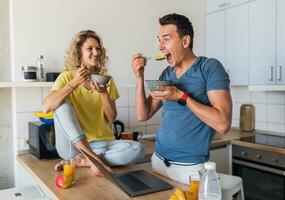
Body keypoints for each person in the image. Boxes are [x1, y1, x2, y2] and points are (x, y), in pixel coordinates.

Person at [131, 13, 232, 184]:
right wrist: (139, 76)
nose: (160, 47)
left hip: (190, 169)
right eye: (159, 40)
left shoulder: (210, 68)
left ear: (185, 41)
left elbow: (223, 124)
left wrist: (181, 96)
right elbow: (143, 114)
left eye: (166, 39)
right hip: (159, 162)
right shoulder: (166, 73)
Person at [43, 30, 144, 175]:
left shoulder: (106, 80)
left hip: (103, 144)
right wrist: (74, 83)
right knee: (61, 106)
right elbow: (47, 106)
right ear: (79, 53)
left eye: (98, 49)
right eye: (90, 49)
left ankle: (85, 161)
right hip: (74, 147)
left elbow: (111, 118)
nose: (95, 53)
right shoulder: (66, 77)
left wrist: (103, 93)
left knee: (137, 149)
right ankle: (92, 159)